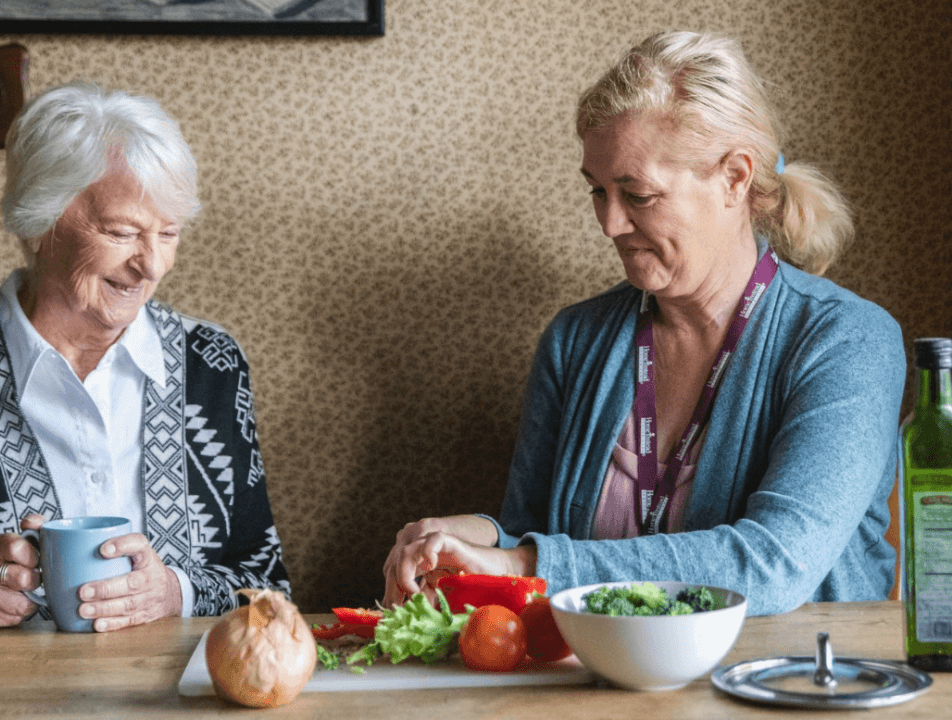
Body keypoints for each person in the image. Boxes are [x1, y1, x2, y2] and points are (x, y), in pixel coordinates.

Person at [383, 32, 905, 617]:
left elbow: (775, 564)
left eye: (638, 194)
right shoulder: (575, 340)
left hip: (789, 693)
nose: (609, 223)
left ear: (735, 178)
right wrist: (470, 539)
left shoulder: (848, 340)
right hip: (601, 691)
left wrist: (524, 565)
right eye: (597, 191)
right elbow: (531, 533)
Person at [0, 82, 289, 630]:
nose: (151, 265)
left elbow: (269, 588)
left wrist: (174, 592)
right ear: (40, 223)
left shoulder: (212, 365)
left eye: (169, 233)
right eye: (122, 232)